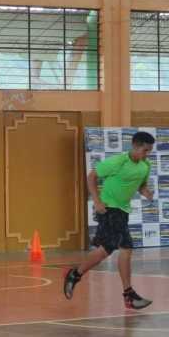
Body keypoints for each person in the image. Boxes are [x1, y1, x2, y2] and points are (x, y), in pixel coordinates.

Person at [63, 131, 155, 309]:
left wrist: (146, 193)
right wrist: (96, 201)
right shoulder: (118, 162)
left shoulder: (145, 165)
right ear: (135, 147)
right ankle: (128, 295)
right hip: (109, 208)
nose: (147, 154)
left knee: (106, 250)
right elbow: (92, 176)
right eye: (145, 150)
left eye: (149, 151)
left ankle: (75, 274)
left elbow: (141, 184)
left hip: (123, 210)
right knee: (126, 247)